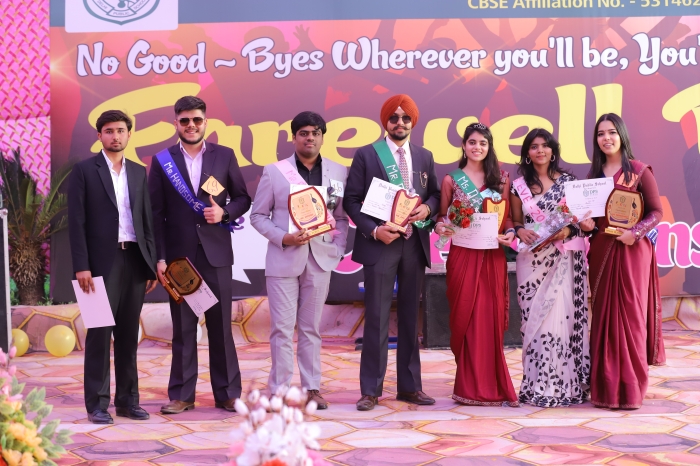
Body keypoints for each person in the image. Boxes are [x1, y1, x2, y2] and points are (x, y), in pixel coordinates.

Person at [149, 96, 252, 414]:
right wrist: (160, 258)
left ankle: (227, 393)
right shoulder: (162, 161)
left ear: (206, 122)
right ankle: (182, 395)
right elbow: (156, 214)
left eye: (196, 120)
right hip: (179, 259)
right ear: (176, 123)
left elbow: (243, 198)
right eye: (185, 120)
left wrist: (224, 213)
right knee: (183, 329)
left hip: (216, 253)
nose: (191, 125)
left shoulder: (224, 155)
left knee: (221, 327)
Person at [344, 94, 440, 411]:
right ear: (385, 120)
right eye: (394, 117)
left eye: (405, 118)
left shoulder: (424, 156)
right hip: (380, 243)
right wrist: (374, 230)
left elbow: (435, 195)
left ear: (413, 121)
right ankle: (370, 390)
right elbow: (351, 201)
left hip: (414, 244)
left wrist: (428, 208)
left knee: (411, 318)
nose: (400, 123)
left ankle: (410, 387)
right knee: (377, 317)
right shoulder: (367, 155)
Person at [250, 111, 349, 408]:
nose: (310, 138)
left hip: (320, 260)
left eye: (316, 133)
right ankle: (279, 390)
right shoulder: (274, 171)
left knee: (311, 328)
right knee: (281, 329)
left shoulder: (338, 171)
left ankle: (312, 387)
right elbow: (258, 215)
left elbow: (341, 217)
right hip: (283, 258)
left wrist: (337, 247)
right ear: (294, 137)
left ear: (322, 137)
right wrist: (284, 237)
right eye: (304, 133)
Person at [68, 110, 158, 424]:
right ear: (100, 136)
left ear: (129, 134)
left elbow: (146, 220)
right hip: (97, 266)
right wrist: (81, 266)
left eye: (120, 130)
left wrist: (150, 263)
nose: (115, 136)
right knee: (98, 334)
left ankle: (128, 402)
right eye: (109, 131)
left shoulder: (138, 171)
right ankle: (97, 405)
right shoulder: (84, 171)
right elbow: (76, 222)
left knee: (128, 336)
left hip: (134, 259)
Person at [580, 113, 665, 409]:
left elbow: (656, 212)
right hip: (602, 249)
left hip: (632, 251)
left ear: (622, 135)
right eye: (601, 134)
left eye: (612, 132)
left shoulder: (638, 171)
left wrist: (635, 232)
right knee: (604, 318)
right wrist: (586, 226)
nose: (606, 138)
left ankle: (630, 391)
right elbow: (591, 221)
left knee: (630, 317)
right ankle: (605, 390)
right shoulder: (593, 177)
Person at [434, 122, 518, 407]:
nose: (477, 147)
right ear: (463, 145)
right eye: (472, 142)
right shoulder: (451, 180)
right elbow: (442, 217)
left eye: (483, 142)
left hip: (492, 256)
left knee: (488, 318)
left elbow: (508, 218)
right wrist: (441, 227)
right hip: (463, 255)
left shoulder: (501, 179)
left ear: (489, 146)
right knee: (465, 318)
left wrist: (510, 232)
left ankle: (493, 385)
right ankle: (468, 386)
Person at [510, 128, 590, 407]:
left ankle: (562, 386)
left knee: (561, 321)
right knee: (534, 322)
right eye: (534, 147)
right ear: (527, 153)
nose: (540, 150)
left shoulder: (569, 183)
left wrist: (566, 232)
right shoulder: (518, 186)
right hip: (531, 261)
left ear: (553, 151)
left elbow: (581, 223)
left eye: (545, 146)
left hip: (563, 259)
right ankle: (535, 386)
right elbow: (515, 222)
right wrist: (520, 231)